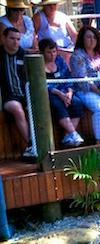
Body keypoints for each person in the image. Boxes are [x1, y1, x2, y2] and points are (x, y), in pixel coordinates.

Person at [41, 38, 85, 147]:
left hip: (65, 91)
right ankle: (73, 133)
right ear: (42, 52)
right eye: (48, 52)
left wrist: (69, 93)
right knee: (58, 104)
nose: (52, 54)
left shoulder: (60, 60)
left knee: (77, 103)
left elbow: (68, 77)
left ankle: (67, 136)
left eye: (54, 51)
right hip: (49, 93)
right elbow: (43, 84)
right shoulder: (39, 63)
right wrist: (60, 94)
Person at [1, 26, 33, 159]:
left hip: (26, 95)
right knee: (18, 109)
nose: (15, 42)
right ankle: (31, 145)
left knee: (40, 108)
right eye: (12, 38)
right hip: (8, 97)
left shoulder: (24, 55)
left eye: (18, 39)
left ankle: (45, 145)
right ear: (4, 38)